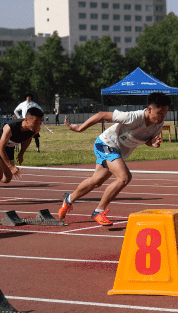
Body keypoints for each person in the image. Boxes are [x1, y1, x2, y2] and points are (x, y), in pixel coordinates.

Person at [57, 92, 171, 226]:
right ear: (150, 109)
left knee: (96, 181)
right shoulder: (133, 117)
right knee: (124, 177)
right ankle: (98, 211)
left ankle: (68, 199)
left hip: (117, 152)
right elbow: (101, 115)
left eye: (165, 113)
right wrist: (80, 128)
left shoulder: (158, 124)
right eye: (160, 112)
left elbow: (146, 139)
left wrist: (152, 143)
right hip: (106, 144)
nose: (163, 116)